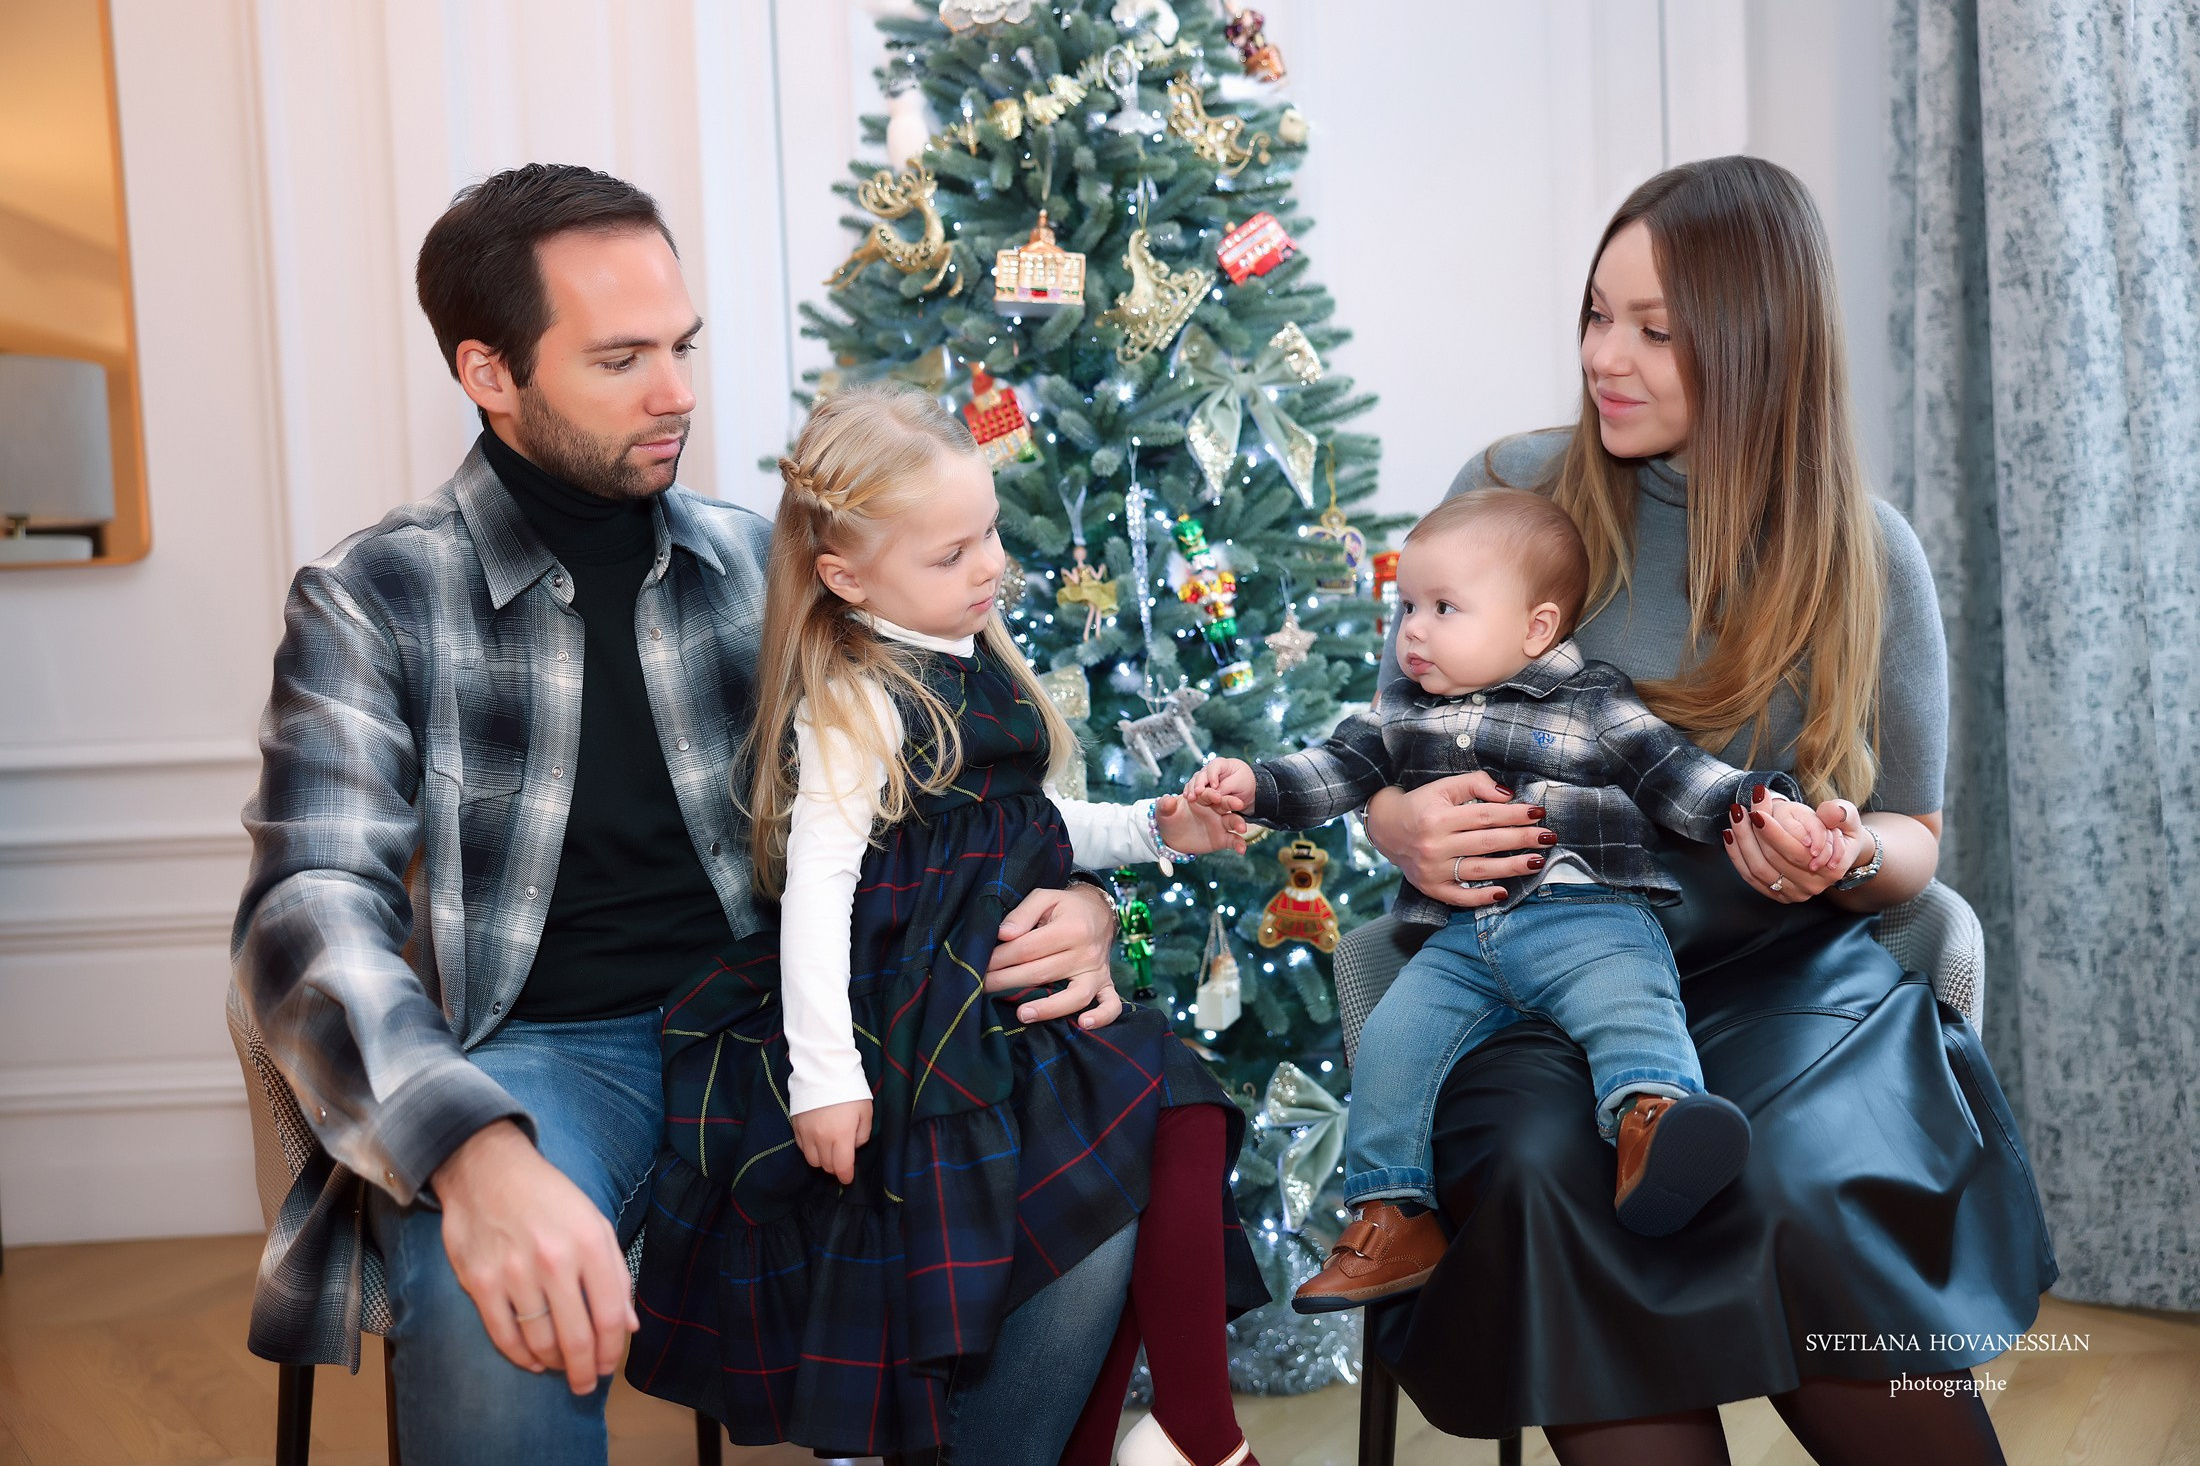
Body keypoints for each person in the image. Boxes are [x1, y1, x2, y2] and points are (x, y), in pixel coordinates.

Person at [229, 166, 1137, 1466]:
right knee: (498, 1313)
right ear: (489, 371)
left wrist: (1084, 902)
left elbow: (967, 786)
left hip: (803, 1021)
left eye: (683, 347)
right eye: (622, 359)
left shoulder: (760, 565)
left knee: (1087, 1187)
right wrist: (472, 1149)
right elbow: (307, 908)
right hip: (548, 1057)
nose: (677, 393)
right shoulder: (375, 597)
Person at [1350, 156, 2055, 1466]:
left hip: (1781, 984)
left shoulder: (1865, 551)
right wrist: (1399, 823)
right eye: (1595, 313)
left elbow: (1915, 837)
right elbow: (1388, 747)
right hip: (1529, 992)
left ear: (1755, 342)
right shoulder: (1510, 488)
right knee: (1547, 1175)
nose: (1603, 356)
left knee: (1796, 1176)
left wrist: (1845, 850)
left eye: (1655, 330)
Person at [625, 385, 1268, 1466]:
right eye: (951, 553)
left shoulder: (978, 657)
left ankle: (1189, 1431)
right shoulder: (857, 696)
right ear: (847, 576)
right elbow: (817, 891)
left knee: (1183, 1109)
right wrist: (825, 1076)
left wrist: (1158, 826)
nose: (990, 568)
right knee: (1135, 1130)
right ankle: (1178, 1440)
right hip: (919, 1022)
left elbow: (1034, 821)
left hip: (998, 993)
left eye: (991, 534)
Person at [1188, 488, 1842, 1311]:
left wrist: (1757, 801)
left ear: (1536, 629)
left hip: (1586, 916)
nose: (1412, 631)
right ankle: (1392, 1212)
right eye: (1407, 607)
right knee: (1392, 1041)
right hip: (1460, 941)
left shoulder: (1592, 701)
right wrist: (1254, 786)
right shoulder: (1399, 714)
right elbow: (1330, 770)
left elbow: (1677, 774)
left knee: (1627, 1003)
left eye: (1444, 608)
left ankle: (1654, 1121)